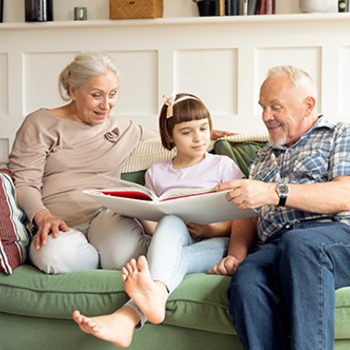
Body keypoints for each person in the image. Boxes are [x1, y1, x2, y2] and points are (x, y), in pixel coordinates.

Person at [72, 93, 246, 348]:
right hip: (172, 239)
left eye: (203, 128)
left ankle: (128, 316)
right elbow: (153, 218)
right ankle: (139, 308)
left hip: (216, 242)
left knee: (174, 258)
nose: (198, 138)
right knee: (170, 221)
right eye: (186, 132)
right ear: (170, 136)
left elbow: (246, 213)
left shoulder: (222, 165)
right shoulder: (157, 172)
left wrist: (213, 228)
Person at [210, 65, 350, 349]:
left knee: (299, 244)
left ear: (308, 105)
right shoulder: (260, 157)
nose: (265, 116)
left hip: (333, 238)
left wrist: (274, 192)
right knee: (246, 282)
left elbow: (344, 194)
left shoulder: (339, 135)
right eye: (263, 107)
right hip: (275, 245)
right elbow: (247, 217)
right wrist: (235, 256)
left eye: (276, 107)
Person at [9, 51, 158, 274]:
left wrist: (210, 134)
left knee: (126, 256)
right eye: (97, 95)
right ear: (73, 91)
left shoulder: (122, 128)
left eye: (113, 94)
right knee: (55, 258)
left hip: (106, 216)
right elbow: (24, 184)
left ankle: (101, 259)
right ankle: (97, 261)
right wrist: (43, 217)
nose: (106, 105)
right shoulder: (40, 124)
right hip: (57, 222)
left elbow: (170, 140)